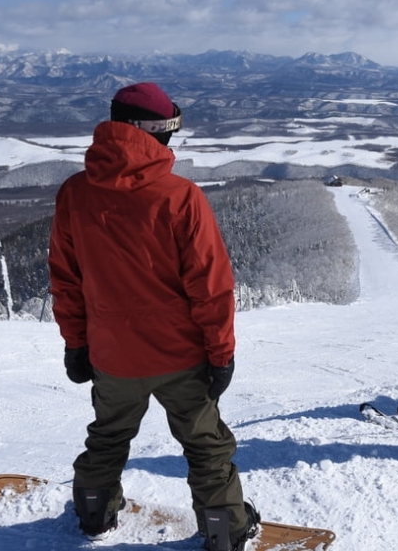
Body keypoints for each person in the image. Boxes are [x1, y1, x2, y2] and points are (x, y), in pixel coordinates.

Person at [48, 82, 259, 551]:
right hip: (181, 356)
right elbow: (213, 288)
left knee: (108, 435)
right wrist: (221, 353)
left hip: (112, 355)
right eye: (168, 131)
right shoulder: (181, 197)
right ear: (150, 132)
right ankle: (225, 530)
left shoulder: (76, 194)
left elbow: (66, 279)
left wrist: (77, 342)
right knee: (206, 446)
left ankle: (94, 514)